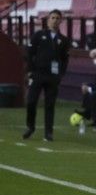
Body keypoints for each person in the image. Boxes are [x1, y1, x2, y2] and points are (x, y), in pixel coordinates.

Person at [23, 9, 70, 141]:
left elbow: (65, 59)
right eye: (52, 18)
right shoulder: (39, 35)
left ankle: (48, 132)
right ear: (48, 20)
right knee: (31, 101)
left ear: (61, 21)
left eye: (57, 18)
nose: (54, 20)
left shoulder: (64, 40)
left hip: (52, 76)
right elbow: (29, 53)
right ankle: (30, 127)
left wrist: (61, 74)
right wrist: (30, 71)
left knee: (50, 105)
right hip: (38, 73)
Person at [75, 48, 96, 128]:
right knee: (87, 88)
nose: (95, 60)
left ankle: (95, 119)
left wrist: (89, 88)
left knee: (93, 94)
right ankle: (87, 112)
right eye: (93, 58)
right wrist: (88, 86)